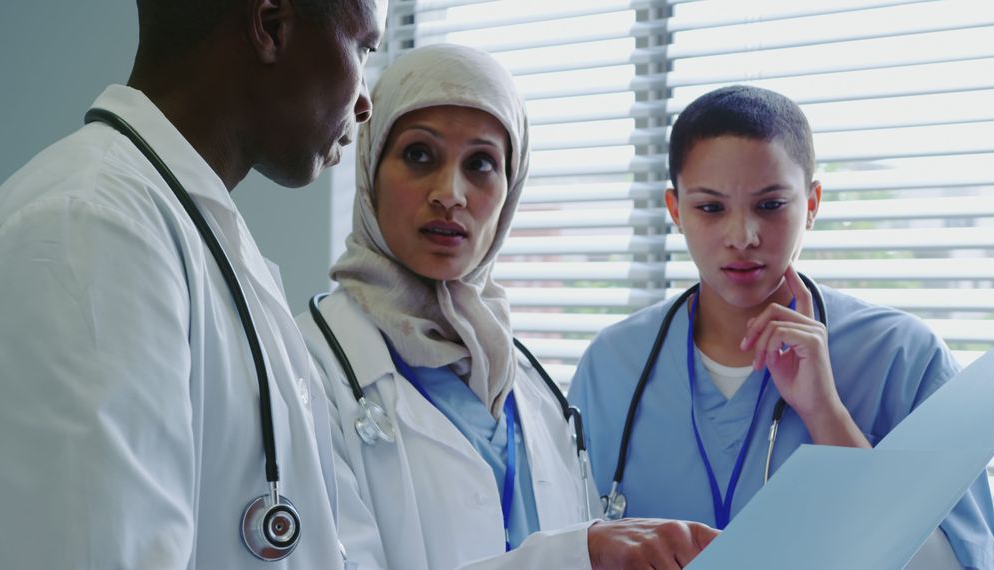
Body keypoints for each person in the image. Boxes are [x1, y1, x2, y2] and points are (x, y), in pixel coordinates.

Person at [0, 0, 387, 567]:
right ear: (272, 28)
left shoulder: (192, 228)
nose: (364, 101)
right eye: (363, 48)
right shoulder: (91, 229)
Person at [296, 43, 718, 570]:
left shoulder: (526, 383)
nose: (450, 193)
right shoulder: (306, 369)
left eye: (481, 164)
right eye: (419, 154)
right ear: (370, 168)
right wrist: (574, 554)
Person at [568, 85, 994, 569]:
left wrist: (826, 415)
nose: (742, 237)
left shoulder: (903, 358)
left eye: (770, 205)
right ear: (675, 209)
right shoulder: (611, 365)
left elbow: (956, 565)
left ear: (812, 203)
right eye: (710, 208)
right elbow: (560, 547)